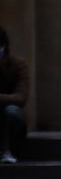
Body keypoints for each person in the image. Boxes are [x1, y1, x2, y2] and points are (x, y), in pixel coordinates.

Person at [0, 26, 28, 163]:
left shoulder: (18, 65)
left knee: (12, 111)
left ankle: (6, 151)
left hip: (7, 116)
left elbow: (21, 98)